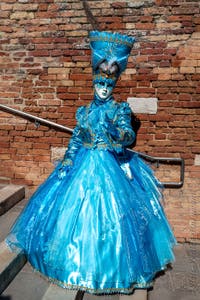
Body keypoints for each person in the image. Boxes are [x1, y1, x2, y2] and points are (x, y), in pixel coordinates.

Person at [6, 31, 177, 296]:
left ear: (113, 87)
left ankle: (114, 266)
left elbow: (127, 136)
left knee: (114, 218)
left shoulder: (119, 110)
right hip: (83, 164)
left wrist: (119, 131)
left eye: (108, 86)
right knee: (71, 213)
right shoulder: (84, 111)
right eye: (100, 85)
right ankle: (72, 263)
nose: (104, 90)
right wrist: (67, 161)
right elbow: (76, 139)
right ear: (94, 85)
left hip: (111, 164)